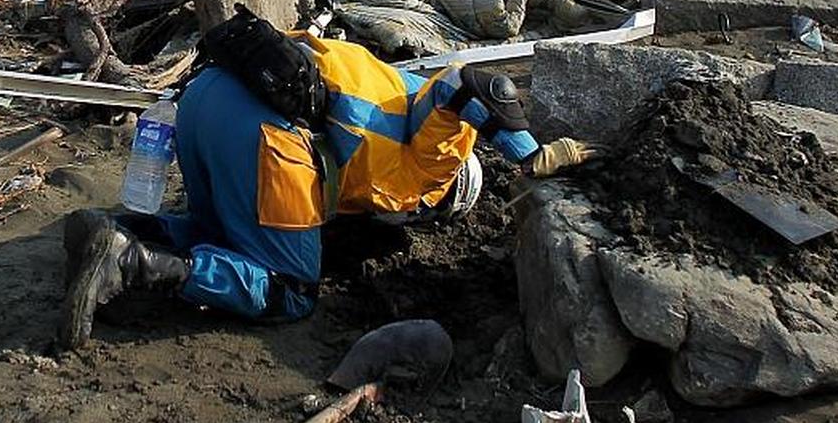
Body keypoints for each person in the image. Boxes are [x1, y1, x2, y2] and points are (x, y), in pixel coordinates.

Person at [58, 28, 598, 348]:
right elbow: (478, 84)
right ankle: (136, 263)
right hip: (268, 135)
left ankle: (116, 232)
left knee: (223, 229)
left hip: (204, 98)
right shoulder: (434, 172)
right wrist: (532, 156)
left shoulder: (394, 85)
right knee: (291, 291)